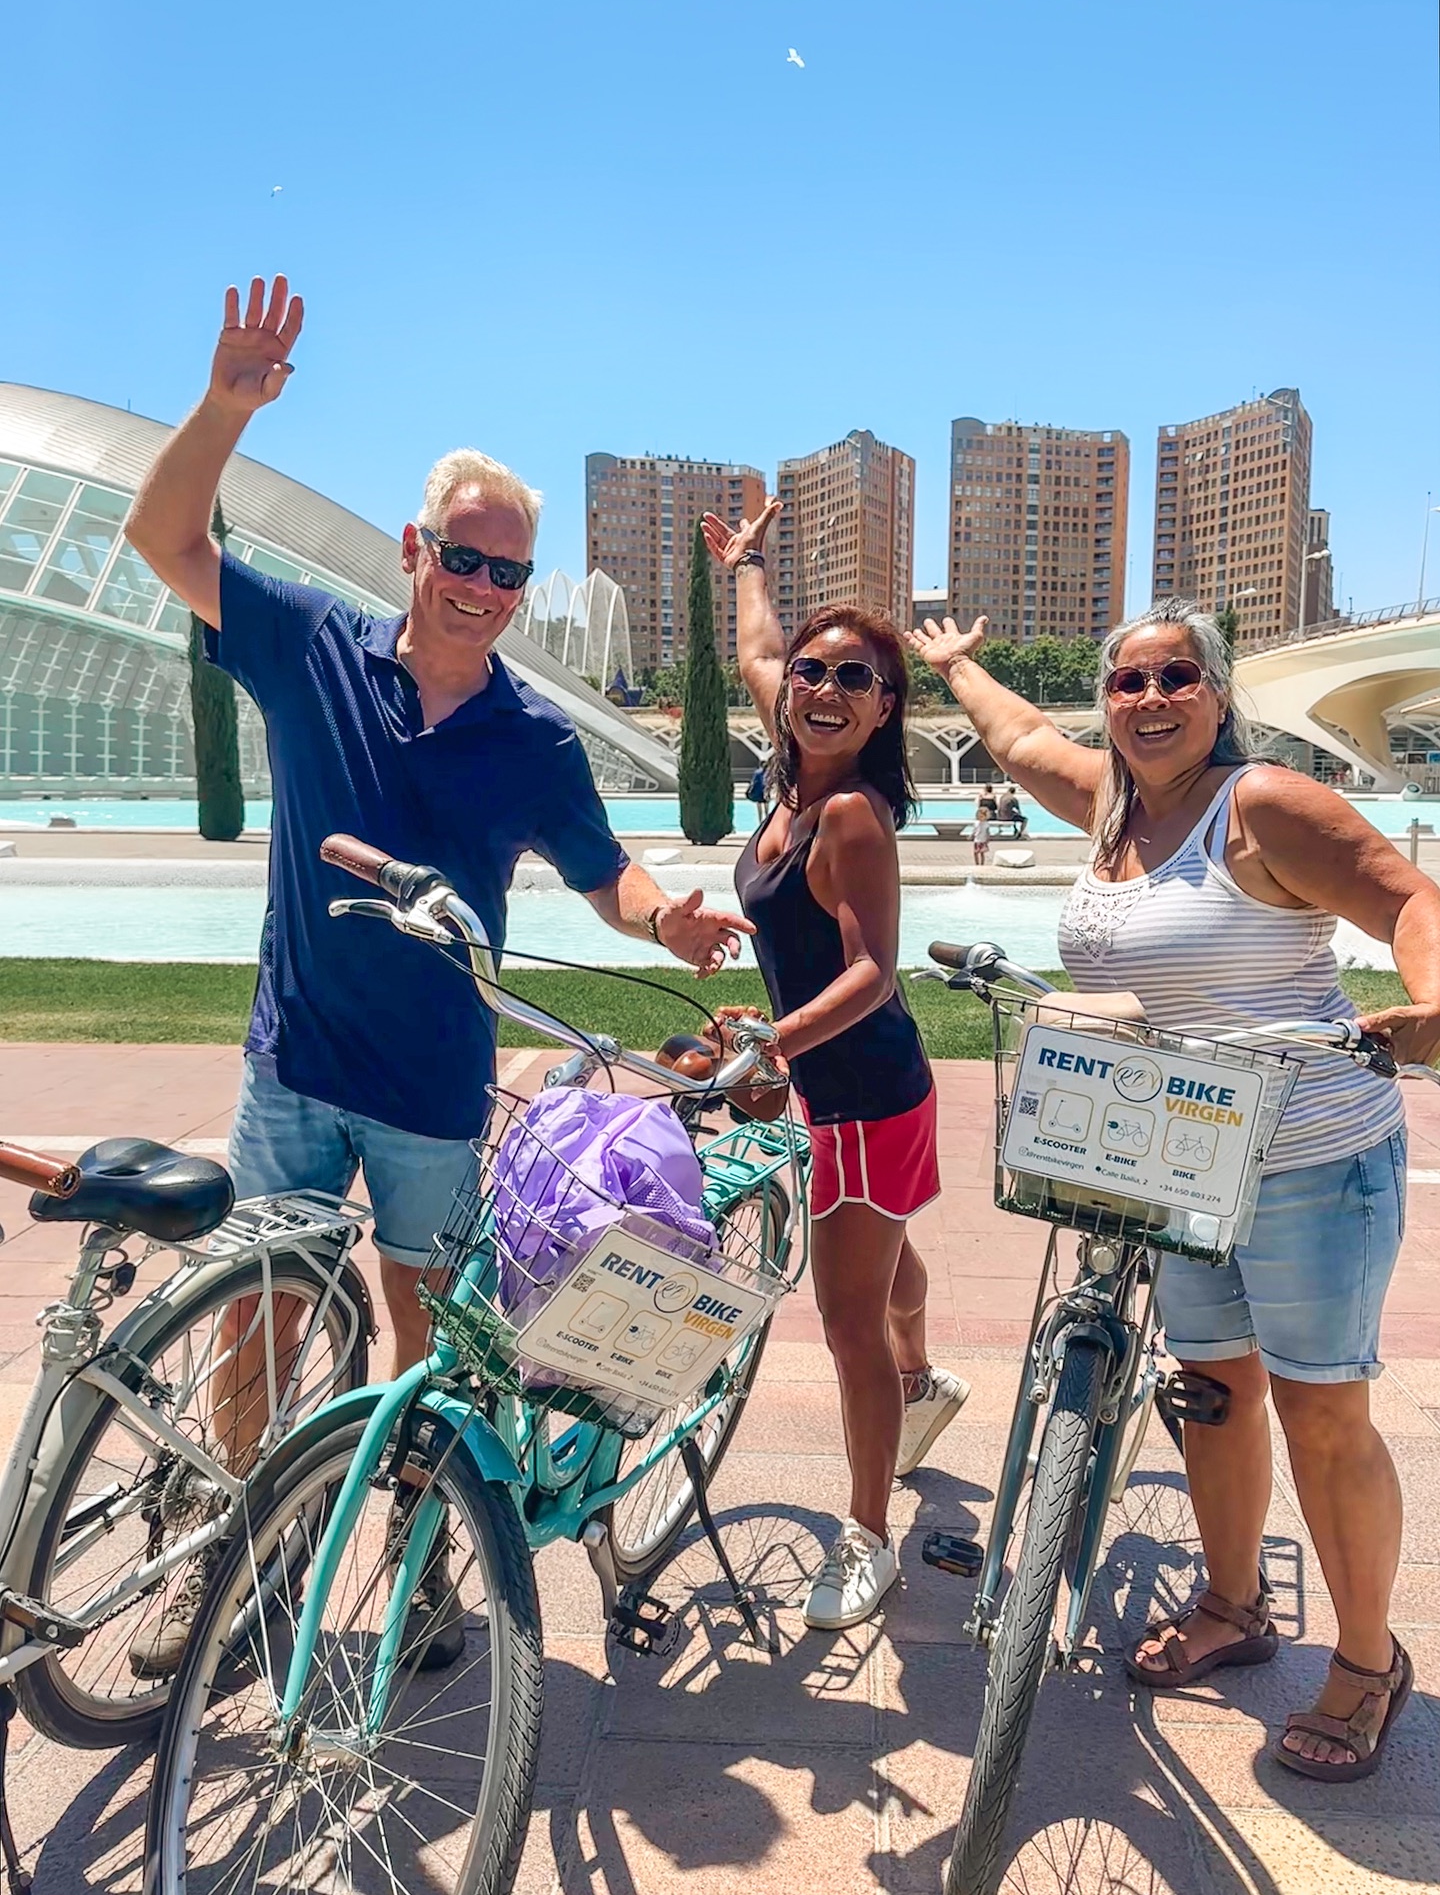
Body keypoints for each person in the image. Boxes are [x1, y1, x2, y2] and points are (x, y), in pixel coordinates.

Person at [124, 276, 752, 1671]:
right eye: (464, 559)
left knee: (426, 1344)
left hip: (429, 1088)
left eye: (510, 574)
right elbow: (160, 534)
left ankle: (419, 1569)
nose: (484, 590)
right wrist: (228, 401)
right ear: (415, 548)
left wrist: (669, 925)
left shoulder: (533, 739)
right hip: (296, 1058)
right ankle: (235, 1561)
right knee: (261, 1325)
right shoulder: (311, 648)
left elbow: (606, 872)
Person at [908, 596, 1440, 1782]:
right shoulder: (1109, 800)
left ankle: (1367, 1660)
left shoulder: (1260, 807)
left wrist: (1434, 1004)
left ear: (1218, 695)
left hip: (1309, 1152)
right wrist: (955, 669)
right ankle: (1236, 1602)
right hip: (1179, 1152)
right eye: (1128, 681)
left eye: (1177, 678)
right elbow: (1011, 741)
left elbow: (1409, 897)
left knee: (1321, 1410)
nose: (1151, 699)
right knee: (1211, 1388)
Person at [701, 500, 968, 1632]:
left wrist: (771, 1039)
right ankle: (926, 1378)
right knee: (885, 1260)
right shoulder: (792, 760)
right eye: (815, 673)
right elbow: (760, 648)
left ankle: (867, 1539)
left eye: (853, 680)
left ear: (886, 707)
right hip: (832, 1083)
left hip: (862, 1091)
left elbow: (873, 975)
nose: (820, 689)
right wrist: (750, 566)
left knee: (845, 1314)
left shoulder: (851, 813)